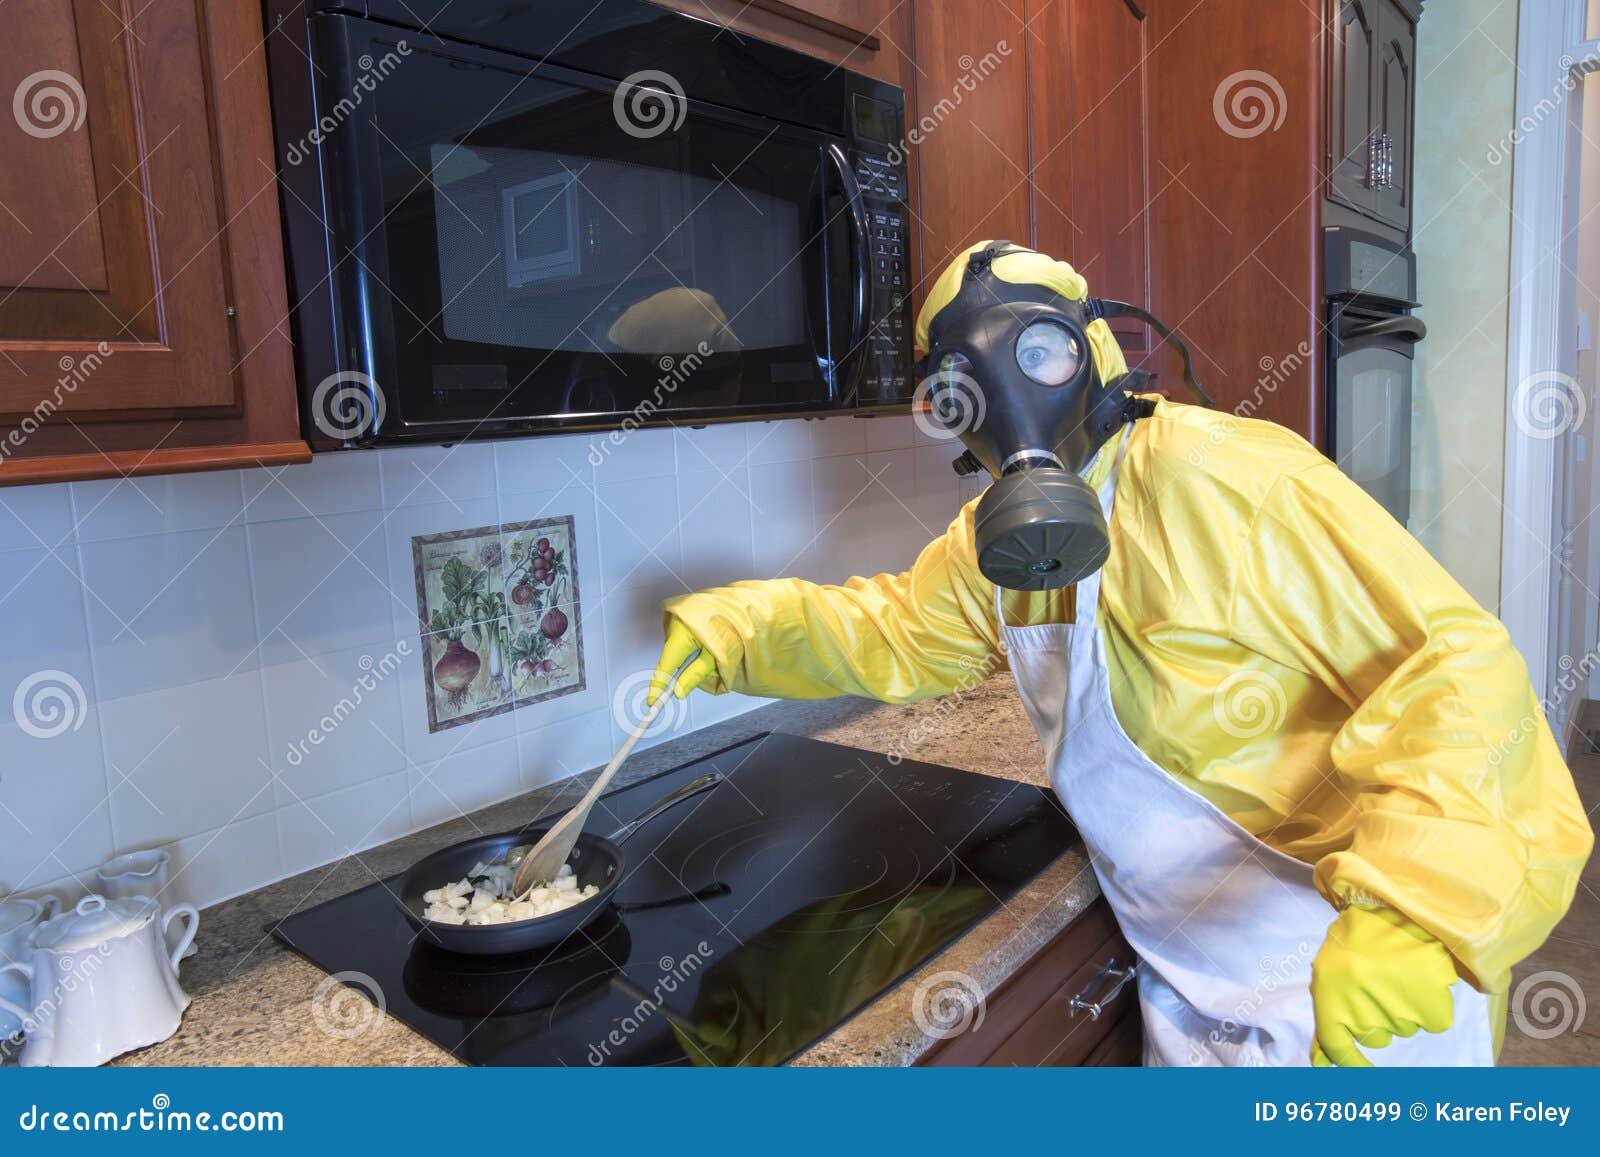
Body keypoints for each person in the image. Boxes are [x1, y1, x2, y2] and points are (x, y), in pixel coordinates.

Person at [646, 241, 1593, 1066]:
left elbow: (1454, 663)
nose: (1009, 398)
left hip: (1356, 974)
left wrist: (1412, 910)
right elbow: (895, 630)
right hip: (1192, 985)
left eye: (1037, 352)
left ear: (1092, 345)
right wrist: (739, 633)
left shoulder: (1229, 477)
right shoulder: (998, 542)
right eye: (961, 386)